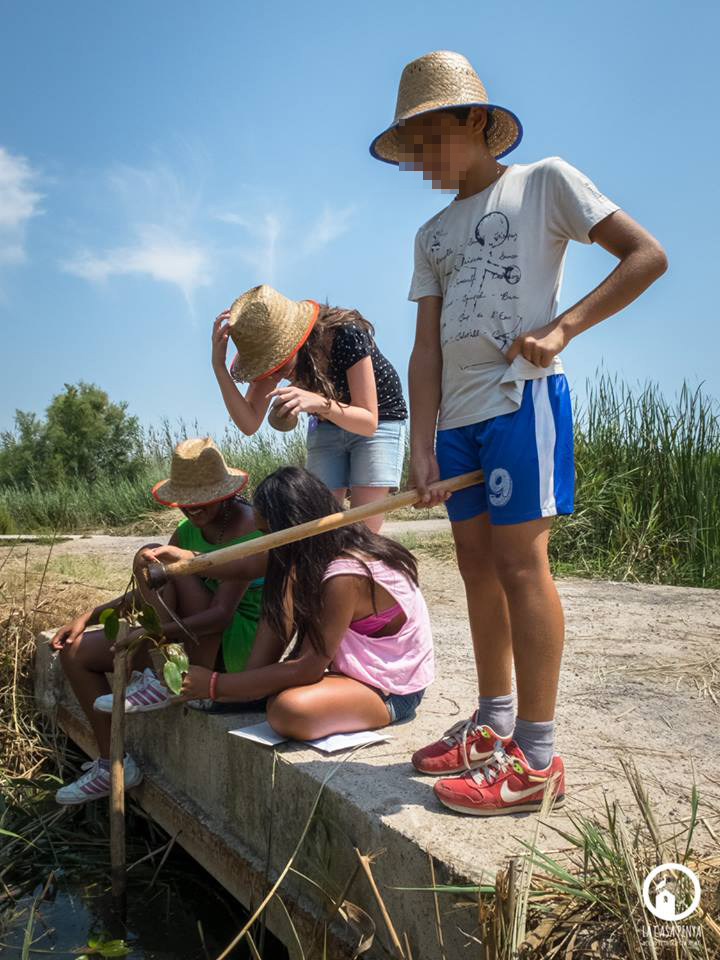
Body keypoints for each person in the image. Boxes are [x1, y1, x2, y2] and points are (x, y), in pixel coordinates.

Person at [369, 51, 667, 815]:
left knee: (520, 566)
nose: (424, 161)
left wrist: (562, 328)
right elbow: (426, 348)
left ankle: (535, 757)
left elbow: (646, 256)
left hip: (520, 401)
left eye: (432, 139)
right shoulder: (432, 234)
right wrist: (422, 443)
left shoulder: (543, 183)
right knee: (476, 568)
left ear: (475, 120)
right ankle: (493, 725)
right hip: (458, 421)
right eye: (413, 149)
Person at [50, 437, 267, 805]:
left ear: (224, 493)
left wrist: (148, 636)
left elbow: (220, 616)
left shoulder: (247, 528)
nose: (191, 509)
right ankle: (113, 765)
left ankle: (163, 674)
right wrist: (89, 616)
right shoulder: (186, 530)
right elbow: (153, 589)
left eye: (201, 500)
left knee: (158, 558)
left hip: (227, 645)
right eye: (185, 501)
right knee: (76, 652)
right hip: (181, 639)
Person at [177, 466, 434, 738]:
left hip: (391, 688)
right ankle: (247, 692)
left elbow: (307, 668)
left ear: (292, 527)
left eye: (268, 534)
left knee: (287, 710)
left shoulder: (346, 574)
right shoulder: (316, 550)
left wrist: (215, 684)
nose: (264, 543)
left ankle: (246, 691)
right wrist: (185, 561)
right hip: (353, 674)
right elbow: (244, 566)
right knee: (280, 582)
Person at [212, 283, 408, 533]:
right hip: (327, 424)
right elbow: (249, 423)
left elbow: (368, 422)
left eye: (280, 361)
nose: (276, 374)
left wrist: (319, 403)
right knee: (322, 528)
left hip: (379, 420)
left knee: (362, 532)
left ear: (296, 339)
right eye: (268, 365)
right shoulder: (269, 361)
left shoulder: (345, 334)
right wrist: (219, 368)